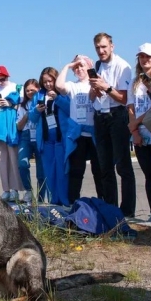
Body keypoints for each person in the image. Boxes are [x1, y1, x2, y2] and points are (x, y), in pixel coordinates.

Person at [88, 33, 136, 215]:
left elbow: (124, 98)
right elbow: (92, 97)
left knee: (123, 165)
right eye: (98, 48)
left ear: (112, 46)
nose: (101, 51)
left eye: (104, 47)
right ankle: (110, 208)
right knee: (104, 166)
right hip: (100, 116)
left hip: (117, 115)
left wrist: (106, 87)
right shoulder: (97, 65)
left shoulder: (122, 66)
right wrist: (95, 89)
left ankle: (128, 210)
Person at [56, 55, 103, 205]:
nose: (79, 69)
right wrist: (68, 66)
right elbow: (59, 86)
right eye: (76, 67)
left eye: (82, 65)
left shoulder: (96, 82)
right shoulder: (73, 85)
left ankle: (103, 201)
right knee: (76, 170)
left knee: (99, 170)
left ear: (89, 67)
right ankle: (73, 202)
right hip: (78, 134)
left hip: (95, 132)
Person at [127, 43, 151, 223]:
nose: (145, 60)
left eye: (148, 56)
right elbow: (131, 108)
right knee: (149, 175)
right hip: (140, 135)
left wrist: (136, 122)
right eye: (141, 57)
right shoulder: (135, 82)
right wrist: (134, 130)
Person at [30, 67, 70, 206]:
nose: (47, 84)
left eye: (50, 81)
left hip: (61, 139)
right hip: (46, 140)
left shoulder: (63, 92)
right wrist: (36, 111)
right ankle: (53, 202)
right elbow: (32, 118)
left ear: (55, 79)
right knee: (49, 172)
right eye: (45, 81)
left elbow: (71, 110)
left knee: (62, 172)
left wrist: (57, 99)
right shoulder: (39, 95)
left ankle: (64, 201)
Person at [0, 66, 23, 201]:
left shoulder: (17, 87)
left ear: (8, 76)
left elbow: (24, 106)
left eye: (3, 79)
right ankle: (6, 189)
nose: (0, 82)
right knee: (2, 160)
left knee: (14, 159)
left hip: (12, 128)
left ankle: (15, 189)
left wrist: (10, 104)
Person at [17, 79, 47, 203]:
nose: (29, 92)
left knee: (41, 171)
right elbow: (18, 126)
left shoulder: (43, 101)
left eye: (32, 90)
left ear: (38, 89)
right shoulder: (22, 105)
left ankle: (40, 198)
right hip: (26, 135)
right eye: (27, 90)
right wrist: (28, 115)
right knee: (22, 163)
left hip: (40, 136)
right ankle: (28, 191)